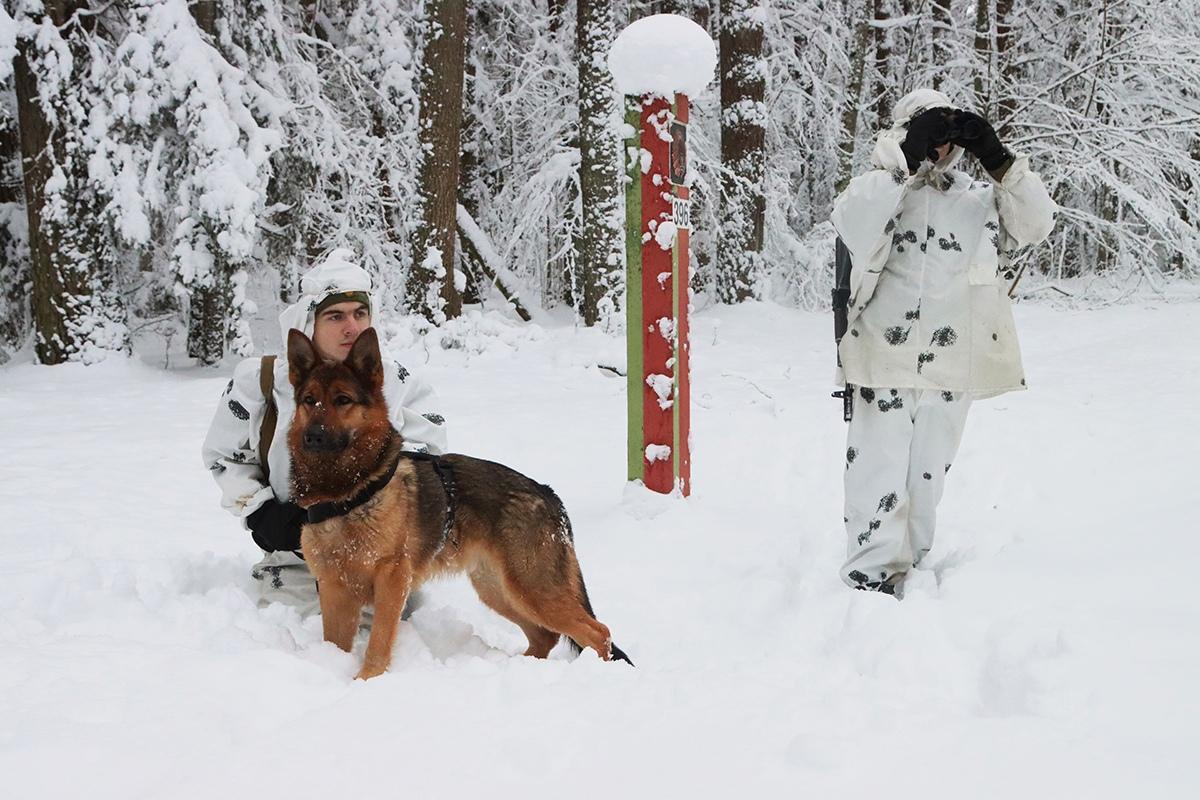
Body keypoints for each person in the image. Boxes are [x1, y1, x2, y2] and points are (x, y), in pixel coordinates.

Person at [830, 88, 1056, 595]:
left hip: (953, 361)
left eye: (943, 138)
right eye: (927, 133)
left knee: (926, 476)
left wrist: (999, 160)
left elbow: (1036, 225)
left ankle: (909, 562)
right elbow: (854, 225)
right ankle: (870, 572)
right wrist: (905, 157)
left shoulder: (975, 198)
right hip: (880, 357)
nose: (937, 149)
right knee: (876, 469)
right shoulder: (876, 189)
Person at [201, 249, 448, 613]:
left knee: (377, 649)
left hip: (375, 559)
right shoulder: (263, 381)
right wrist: (260, 512)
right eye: (336, 316)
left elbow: (428, 457)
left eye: (360, 314)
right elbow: (224, 456)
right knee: (286, 645)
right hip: (292, 562)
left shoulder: (397, 381)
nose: (352, 327)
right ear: (309, 322)